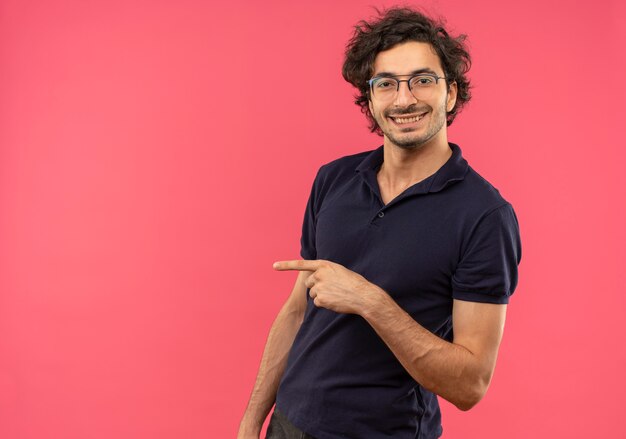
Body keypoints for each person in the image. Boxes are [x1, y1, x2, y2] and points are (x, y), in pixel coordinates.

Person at [238, 6, 522, 439]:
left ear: (450, 94)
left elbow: (470, 384)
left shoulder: (485, 216)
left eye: (423, 80)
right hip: (289, 426)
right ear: (369, 99)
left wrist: (370, 301)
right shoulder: (333, 179)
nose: (404, 99)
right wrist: (251, 421)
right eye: (386, 84)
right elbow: (297, 312)